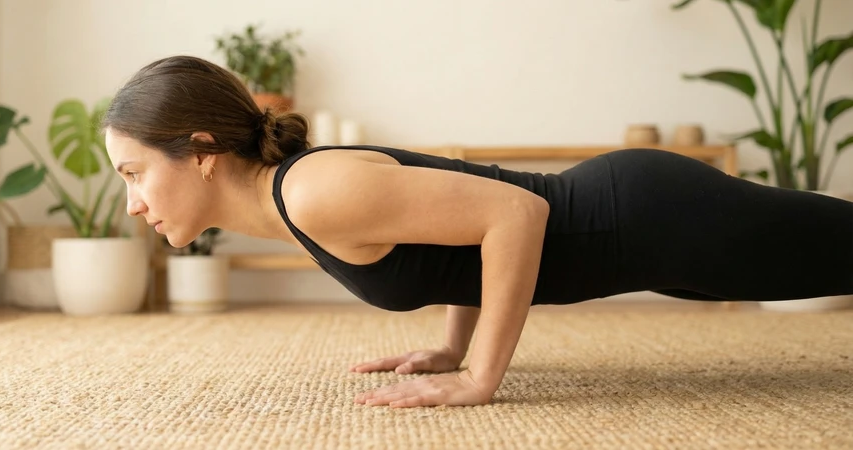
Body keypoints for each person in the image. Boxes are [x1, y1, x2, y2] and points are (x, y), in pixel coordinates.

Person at [101, 55, 853, 409]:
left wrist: (479, 377)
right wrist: (452, 344)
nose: (132, 204)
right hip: (651, 238)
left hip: (655, 219)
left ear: (200, 153)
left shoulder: (315, 192)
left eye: (134, 174)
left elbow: (513, 212)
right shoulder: (296, 200)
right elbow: (467, 225)